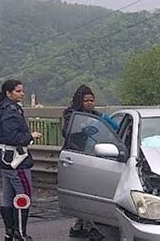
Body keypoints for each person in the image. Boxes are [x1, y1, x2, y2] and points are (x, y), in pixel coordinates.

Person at [0, 79, 42, 241]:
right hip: (16, 158)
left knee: (8, 195)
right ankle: (20, 233)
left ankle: (9, 232)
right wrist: (30, 136)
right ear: (8, 93)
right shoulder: (11, 110)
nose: (22, 93)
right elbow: (12, 136)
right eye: (18, 91)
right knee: (23, 194)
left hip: (4, 156)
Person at [61, 85, 119, 238]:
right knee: (82, 191)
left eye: (91, 100)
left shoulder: (97, 116)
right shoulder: (71, 116)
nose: (89, 103)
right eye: (86, 100)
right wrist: (81, 127)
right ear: (79, 101)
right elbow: (67, 133)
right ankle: (87, 225)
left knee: (91, 190)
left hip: (94, 158)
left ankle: (83, 224)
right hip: (78, 157)